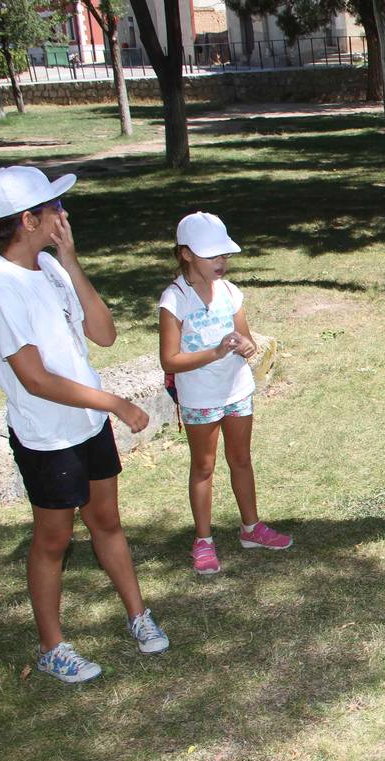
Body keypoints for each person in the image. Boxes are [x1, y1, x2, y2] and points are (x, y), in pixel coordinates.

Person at [0, 166, 168, 684]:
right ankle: (52, 646)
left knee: (107, 522)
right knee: (52, 540)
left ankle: (138, 614)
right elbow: (35, 379)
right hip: (47, 437)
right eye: (54, 207)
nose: (64, 213)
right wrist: (115, 402)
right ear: (28, 220)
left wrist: (71, 260)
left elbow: (104, 334)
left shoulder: (50, 268)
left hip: (88, 425)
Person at [159, 212, 292, 575]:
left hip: (237, 391)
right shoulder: (175, 300)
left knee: (241, 459)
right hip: (199, 397)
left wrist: (246, 346)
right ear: (186, 254)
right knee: (203, 467)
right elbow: (169, 360)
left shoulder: (230, 292)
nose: (221, 262)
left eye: (224, 255)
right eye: (211, 255)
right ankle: (203, 540)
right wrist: (215, 352)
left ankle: (251, 528)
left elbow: (247, 340)